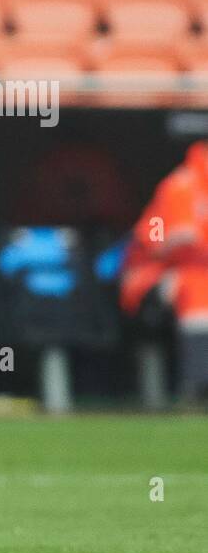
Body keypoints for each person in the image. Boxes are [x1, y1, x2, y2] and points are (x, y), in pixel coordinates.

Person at [121, 139, 208, 401]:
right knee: (196, 286)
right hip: (149, 274)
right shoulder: (180, 186)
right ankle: (198, 385)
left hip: (193, 269)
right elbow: (164, 243)